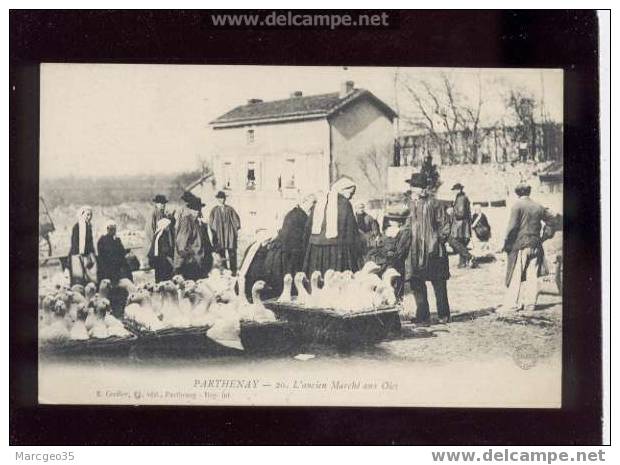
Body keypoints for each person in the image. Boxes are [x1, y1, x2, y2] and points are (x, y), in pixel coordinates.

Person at [401, 173, 452, 325]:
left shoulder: (435, 203)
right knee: (416, 282)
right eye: (415, 187)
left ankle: (444, 314)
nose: (417, 190)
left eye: (420, 187)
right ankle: (423, 315)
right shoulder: (409, 204)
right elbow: (403, 223)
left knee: (439, 283)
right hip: (414, 250)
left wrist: (438, 241)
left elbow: (445, 225)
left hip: (433, 250)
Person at [501, 183, 557, 312]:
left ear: (517, 193)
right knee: (532, 275)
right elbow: (553, 221)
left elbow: (512, 227)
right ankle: (530, 304)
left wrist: (506, 243)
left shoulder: (517, 206)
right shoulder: (538, 206)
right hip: (536, 244)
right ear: (529, 192)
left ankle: (512, 304)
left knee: (516, 274)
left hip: (520, 245)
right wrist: (545, 236)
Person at [303, 177, 363, 275]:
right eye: (351, 193)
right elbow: (351, 230)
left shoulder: (320, 201)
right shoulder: (345, 203)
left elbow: (308, 227)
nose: (351, 196)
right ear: (342, 189)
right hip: (337, 250)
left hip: (316, 249)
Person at [258, 194, 316, 296]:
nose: (313, 206)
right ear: (305, 201)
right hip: (291, 251)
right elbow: (296, 236)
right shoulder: (300, 216)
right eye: (312, 203)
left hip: (287, 249)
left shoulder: (294, 213)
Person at [174, 192, 211, 280]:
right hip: (189, 265)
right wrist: (191, 257)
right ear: (191, 210)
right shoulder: (187, 222)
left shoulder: (197, 223)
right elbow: (181, 245)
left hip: (198, 262)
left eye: (199, 209)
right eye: (196, 209)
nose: (198, 211)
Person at [209, 191, 241, 274]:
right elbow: (211, 224)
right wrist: (215, 232)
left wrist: (233, 231)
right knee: (221, 253)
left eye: (223, 198)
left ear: (225, 199)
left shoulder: (230, 209)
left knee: (232, 253)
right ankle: (224, 270)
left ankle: (233, 270)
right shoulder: (214, 210)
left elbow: (236, 221)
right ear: (217, 199)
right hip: (220, 236)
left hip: (229, 235)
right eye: (220, 198)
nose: (221, 200)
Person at [96, 220, 132, 284]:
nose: (113, 230)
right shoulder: (102, 240)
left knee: (126, 267)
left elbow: (122, 251)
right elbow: (102, 254)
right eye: (111, 228)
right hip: (107, 264)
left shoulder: (117, 239)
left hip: (117, 263)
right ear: (107, 229)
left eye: (114, 228)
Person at [69, 206, 97, 285]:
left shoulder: (88, 227)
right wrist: (81, 255)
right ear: (82, 214)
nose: (89, 217)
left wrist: (91, 254)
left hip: (87, 255)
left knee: (92, 278)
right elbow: (75, 243)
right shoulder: (77, 227)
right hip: (77, 255)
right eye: (87, 215)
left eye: (91, 215)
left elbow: (90, 242)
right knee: (79, 278)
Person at [144, 194, 174, 267]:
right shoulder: (153, 213)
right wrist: (155, 244)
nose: (163, 205)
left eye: (164, 203)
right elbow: (150, 230)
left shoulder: (162, 213)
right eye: (161, 203)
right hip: (155, 245)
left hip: (161, 245)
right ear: (156, 204)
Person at [451, 183, 472, 268]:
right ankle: (462, 263)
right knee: (462, 243)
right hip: (464, 224)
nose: (453, 192)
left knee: (454, 241)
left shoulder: (460, 199)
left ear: (458, 190)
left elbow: (460, 213)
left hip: (460, 225)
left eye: (455, 190)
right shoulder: (463, 197)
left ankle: (469, 257)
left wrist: (452, 211)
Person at [147, 217, 174, 282]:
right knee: (165, 280)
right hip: (163, 261)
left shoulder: (157, 234)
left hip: (157, 260)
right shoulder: (163, 235)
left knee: (158, 278)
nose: (169, 227)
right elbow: (165, 250)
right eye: (168, 226)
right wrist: (172, 262)